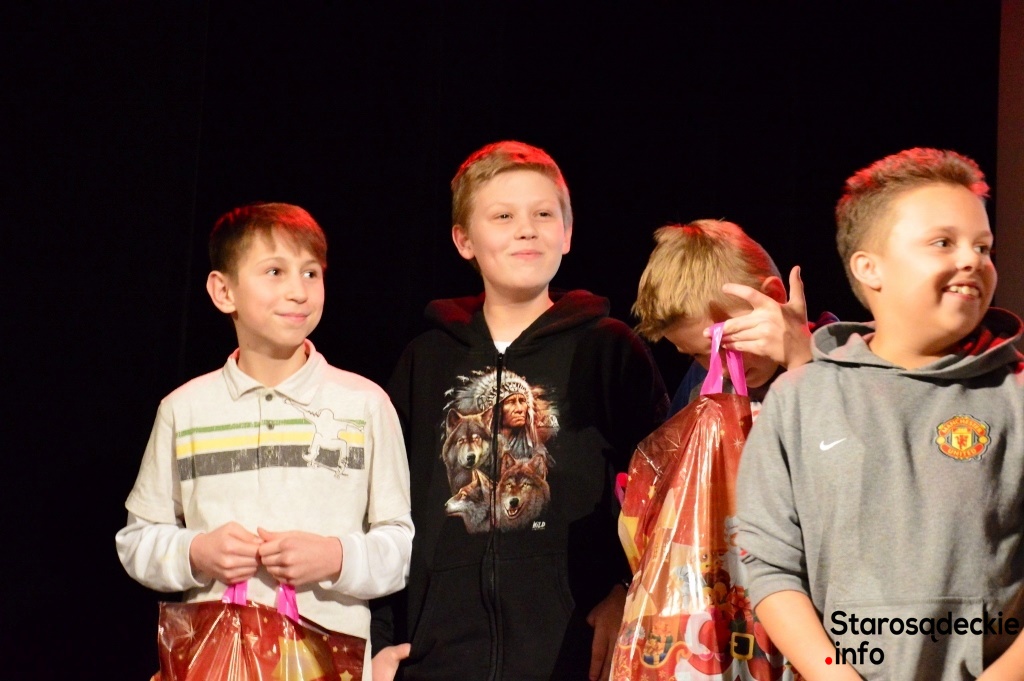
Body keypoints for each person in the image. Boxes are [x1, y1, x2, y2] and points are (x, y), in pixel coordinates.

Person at [372, 140, 669, 681]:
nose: (526, 230)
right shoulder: (426, 358)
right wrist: (381, 641)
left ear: (568, 233)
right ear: (464, 240)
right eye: (503, 216)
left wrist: (625, 591)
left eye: (543, 214)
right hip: (440, 657)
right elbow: (386, 504)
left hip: (574, 653)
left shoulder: (608, 349)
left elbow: (663, 494)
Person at [735, 148, 1024, 680]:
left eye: (983, 246)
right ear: (870, 268)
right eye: (943, 242)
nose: (972, 260)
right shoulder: (799, 400)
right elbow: (770, 563)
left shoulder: (1016, 395)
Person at [115, 202, 414, 679]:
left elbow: (400, 547)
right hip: (216, 663)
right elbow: (137, 541)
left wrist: (335, 557)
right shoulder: (184, 409)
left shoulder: (365, 405)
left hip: (327, 663)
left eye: (311, 273)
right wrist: (197, 552)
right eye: (275, 272)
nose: (298, 290)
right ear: (224, 291)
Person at [632, 219, 824, 419]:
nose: (721, 371)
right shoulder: (700, 384)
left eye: (724, 346)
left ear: (773, 296)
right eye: (697, 355)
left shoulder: (840, 361)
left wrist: (803, 362)